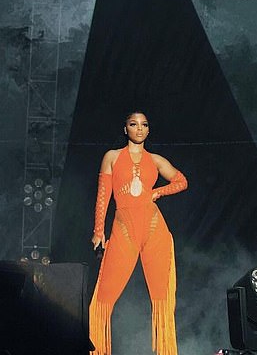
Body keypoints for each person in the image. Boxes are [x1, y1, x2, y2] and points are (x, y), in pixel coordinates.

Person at [89, 111, 188, 355]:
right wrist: (98, 231)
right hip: (123, 228)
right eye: (134, 124)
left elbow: (182, 181)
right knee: (104, 295)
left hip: (155, 229)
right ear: (126, 129)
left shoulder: (155, 160)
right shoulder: (111, 157)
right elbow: (103, 196)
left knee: (161, 298)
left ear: (148, 130)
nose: (139, 129)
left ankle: (166, 351)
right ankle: (95, 349)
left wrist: (158, 193)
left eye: (144, 125)